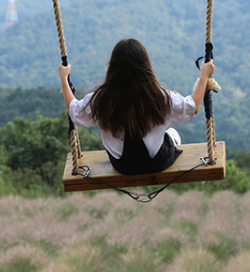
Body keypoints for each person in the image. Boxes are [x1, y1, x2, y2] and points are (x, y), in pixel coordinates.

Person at [58, 38, 215, 176]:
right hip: (157, 163)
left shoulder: (99, 100)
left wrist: (64, 79)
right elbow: (192, 107)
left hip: (122, 166)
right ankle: (172, 138)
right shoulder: (160, 98)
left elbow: (74, 111)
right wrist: (204, 75)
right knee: (171, 134)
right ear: (146, 67)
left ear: (112, 67)